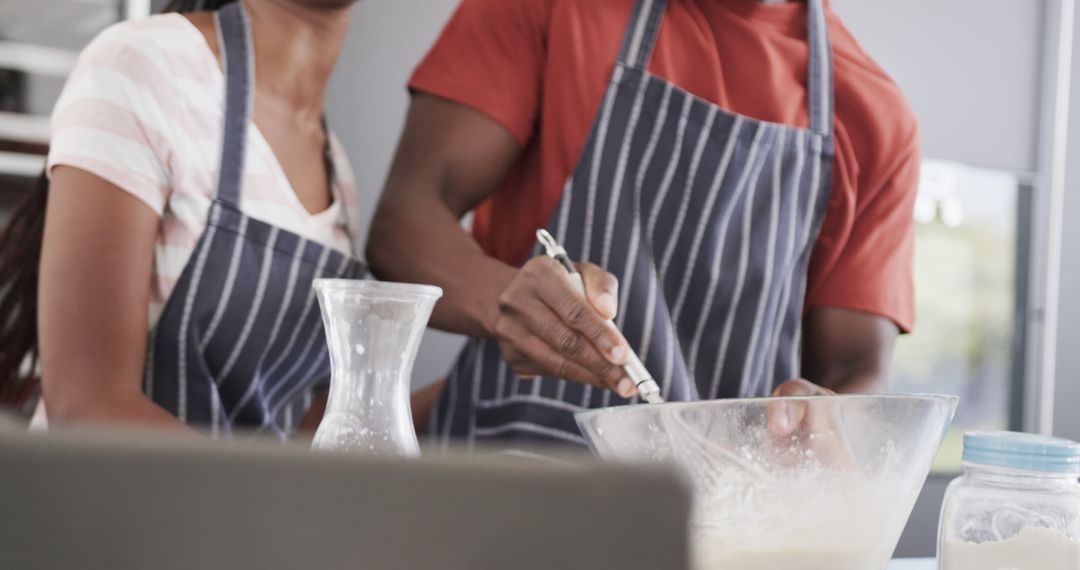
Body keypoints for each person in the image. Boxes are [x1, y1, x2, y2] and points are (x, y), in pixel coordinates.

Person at [370, 0, 919, 446]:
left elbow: (855, 368)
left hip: (720, 526)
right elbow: (403, 222)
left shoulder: (875, 118)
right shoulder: (554, 9)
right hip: (503, 488)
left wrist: (828, 420)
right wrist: (508, 301)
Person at [0, 0, 365, 437]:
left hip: (248, 503)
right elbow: (85, 407)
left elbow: (296, 432)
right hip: (108, 503)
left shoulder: (337, 173)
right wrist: (271, 497)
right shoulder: (143, 66)